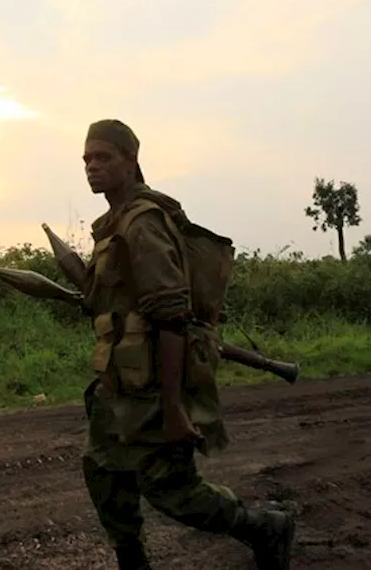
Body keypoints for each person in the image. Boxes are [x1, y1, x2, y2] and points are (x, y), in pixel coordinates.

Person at [78, 119, 294, 569]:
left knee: (173, 491)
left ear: (132, 161)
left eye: (104, 157)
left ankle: (264, 528)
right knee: (104, 472)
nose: (92, 167)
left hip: (155, 385)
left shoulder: (143, 223)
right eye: (87, 159)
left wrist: (174, 406)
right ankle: (131, 560)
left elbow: (173, 318)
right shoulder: (111, 224)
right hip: (118, 382)